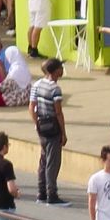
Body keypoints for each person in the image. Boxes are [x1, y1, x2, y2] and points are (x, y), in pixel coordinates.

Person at [31, 59, 70, 204]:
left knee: (43, 160)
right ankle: (51, 194)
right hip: (53, 128)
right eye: (61, 67)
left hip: (42, 126)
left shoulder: (37, 84)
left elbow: (32, 106)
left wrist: (36, 123)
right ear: (56, 70)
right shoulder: (55, 89)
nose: (62, 70)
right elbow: (58, 112)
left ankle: (41, 193)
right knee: (53, 162)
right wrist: (63, 133)